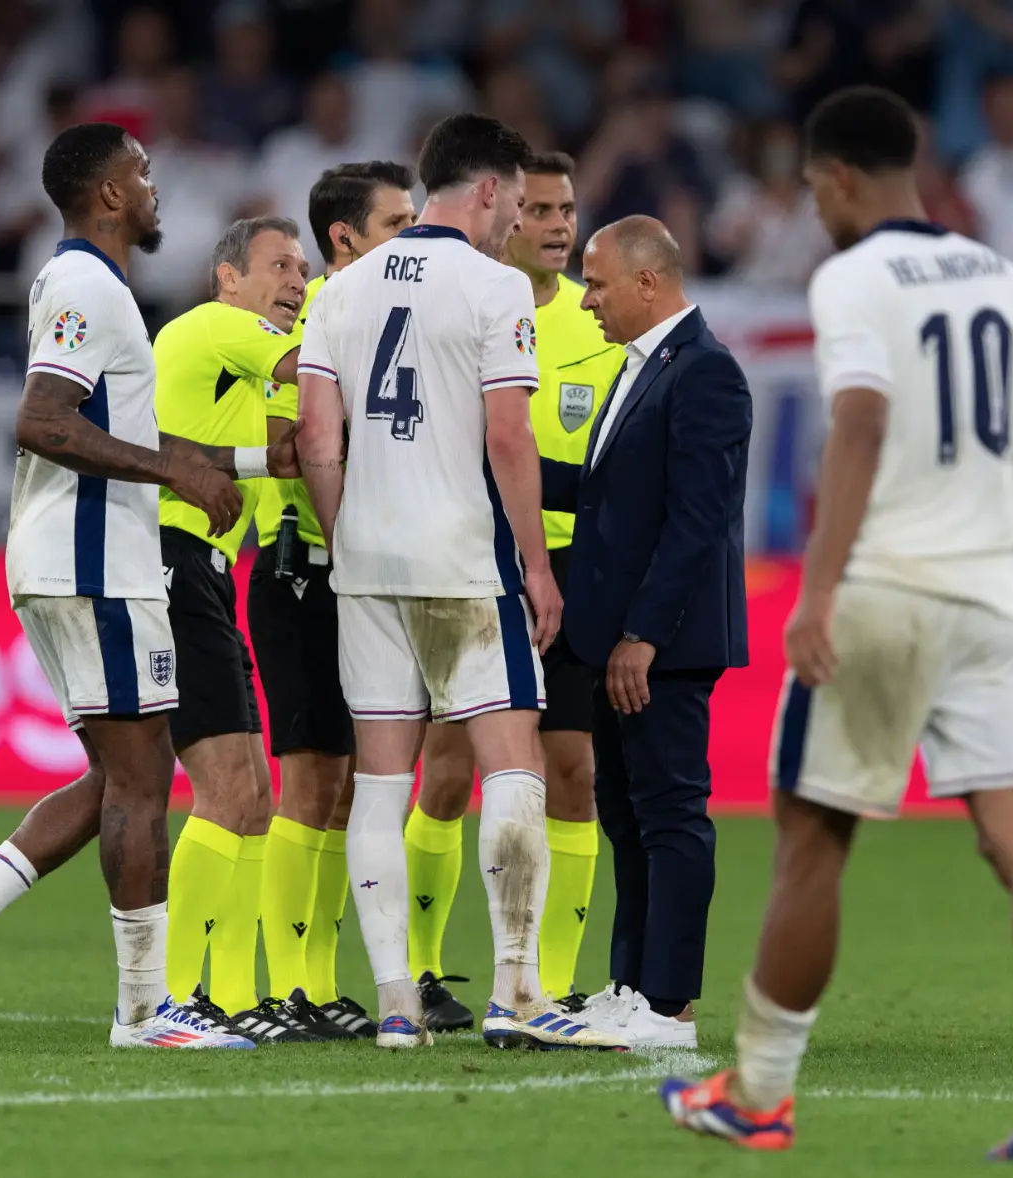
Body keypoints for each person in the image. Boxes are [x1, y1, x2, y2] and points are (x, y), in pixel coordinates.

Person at [659, 87, 1013, 1160]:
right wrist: (992, 530)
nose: (815, 208)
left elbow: (855, 424)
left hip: (885, 589)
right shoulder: (1000, 274)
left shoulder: (850, 277)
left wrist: (817, 587)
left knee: (811, 845)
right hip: (990, 594)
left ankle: (758, 1090)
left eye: (812, 188)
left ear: (841, 177)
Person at [0, 122, 271, 1053]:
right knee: (143, 782)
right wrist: (175, 476)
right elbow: (41, 421)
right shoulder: (85, 285)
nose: (153, 186)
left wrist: (252, 459)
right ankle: (144, 1013)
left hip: (82, 558)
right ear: (107, 194)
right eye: (141, 172)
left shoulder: (98, 289)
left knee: (118, 776)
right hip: (94, 563)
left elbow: (123, 430)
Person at [295, 112, 624, 1051]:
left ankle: (396, 1004)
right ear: (485, 191)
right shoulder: (496, 288)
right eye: (517, 203)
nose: (518, 221)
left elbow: (320, 440)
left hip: (366, 563)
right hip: (461, 560)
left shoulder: (341, 291)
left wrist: (345, 533)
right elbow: (508, 436)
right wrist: (536, 563)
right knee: (512, 763)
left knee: (381, 784)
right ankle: (519, 993)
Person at [407, 151, 624, 1029]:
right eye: (538, 208)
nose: (558, 225)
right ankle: (423, 974)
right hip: (475, 559)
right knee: (451, 769)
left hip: (574, 568)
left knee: (573, 772)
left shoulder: (600, 321)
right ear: (505, 214)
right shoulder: (472, 304)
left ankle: (551, 979)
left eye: (568, 208)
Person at [534, 216, 752, 1050]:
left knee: (671, 815)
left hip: (663, 644)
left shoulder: (707, 374)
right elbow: (606, 498)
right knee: (626, 817)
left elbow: (697, 521)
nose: (587, 301)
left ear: (649, 284)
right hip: (616, 639)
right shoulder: (646, 369)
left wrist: (644, 636)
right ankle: (629, 986)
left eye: (598, 284)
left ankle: (669, 1007)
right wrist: (499, 459)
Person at [148, 216, 329, 1044]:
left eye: (303, 268)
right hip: (173, 563)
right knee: (226, 790)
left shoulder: (233, 370)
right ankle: (174, 995)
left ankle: (229, 994)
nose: (297, 281)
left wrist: (272, 458)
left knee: (251, 794)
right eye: (279, 266)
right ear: (228, 278)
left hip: (206, 573)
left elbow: (268, 452)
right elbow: (309, 374)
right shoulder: (229, 329)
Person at [250, 161, 417, 1039]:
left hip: (362, 574)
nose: (414, 236)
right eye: (397, 223)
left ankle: (317, 985)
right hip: (305, 570)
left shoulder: (386, 315)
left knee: (350, 786)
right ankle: (290, 989)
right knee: (310, 780)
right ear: (345, 239)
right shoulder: (318, 318)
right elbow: (288, 439)